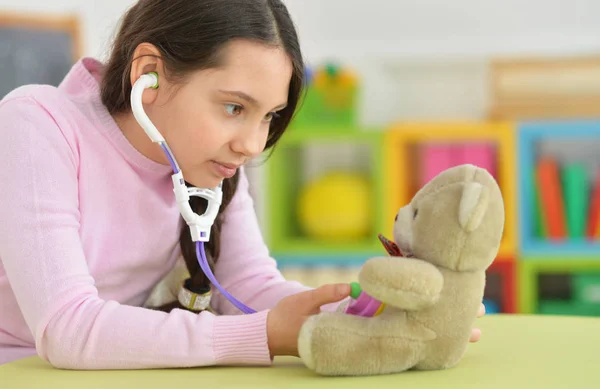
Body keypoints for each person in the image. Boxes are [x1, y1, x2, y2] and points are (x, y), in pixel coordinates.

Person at [0, 0, 484, 369]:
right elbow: (66, 327)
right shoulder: (37, 125)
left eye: (269, 116)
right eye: (235, 108)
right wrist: (266, 335)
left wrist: (365, 313)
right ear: (150, 75)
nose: (253, 144)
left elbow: (249, 286)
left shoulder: (206, 162)